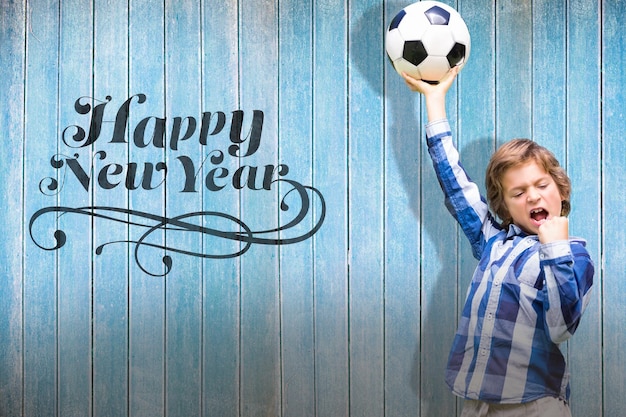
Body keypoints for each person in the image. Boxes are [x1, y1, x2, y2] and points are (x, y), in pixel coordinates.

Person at [403, 67, 594, 417]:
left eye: (541, 186)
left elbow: (562, 328)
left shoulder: (575, 256)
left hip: (535, 406)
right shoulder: (493, 240)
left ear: (561, 190)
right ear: (503, 205)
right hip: (478, 403)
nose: (532, 197)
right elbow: (454, 183)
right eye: (518, 193)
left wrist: (554, 249)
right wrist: (434, 99)